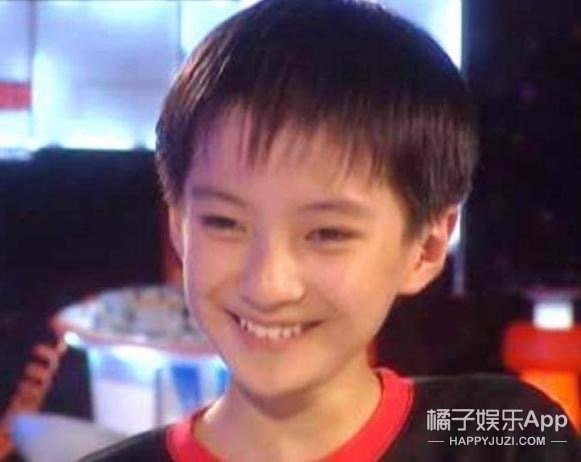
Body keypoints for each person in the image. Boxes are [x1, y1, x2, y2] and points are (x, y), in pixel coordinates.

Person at [81, 0, 579, 460]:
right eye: (225, 223)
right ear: (179, 228)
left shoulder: (503, 434)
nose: (268, 285)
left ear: (426, 248)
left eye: (327, 234)